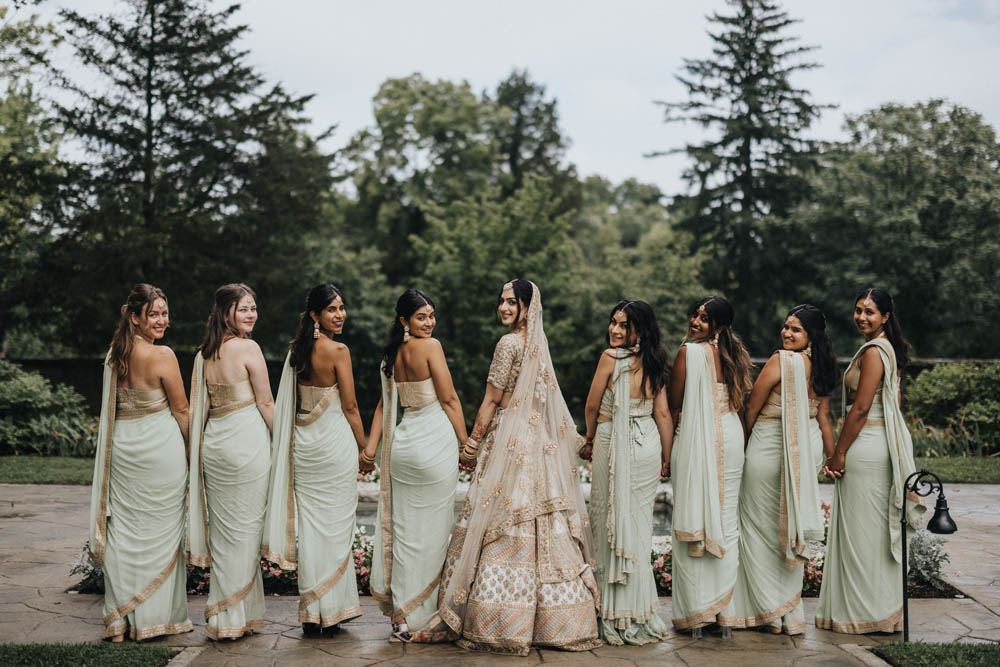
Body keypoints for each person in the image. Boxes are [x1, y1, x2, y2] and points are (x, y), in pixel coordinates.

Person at [433, 279, 601, 656]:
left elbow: (492, 400)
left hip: (509, 443)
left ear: (528, 307)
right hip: (537, 445)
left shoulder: (508, 344)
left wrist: (473, 443)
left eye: (512, 302)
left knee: (500, 519)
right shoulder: (538, 344)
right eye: (502, 301)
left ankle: (503, 621)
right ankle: (558, 622)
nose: (504, 308)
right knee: (542, 522)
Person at [816, 288, 925, 633]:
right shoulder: (884, 350)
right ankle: (871, 609)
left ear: (886, 317)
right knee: (867, 532)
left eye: (870, 312)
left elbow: (861, 409)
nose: (862, 316)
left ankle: (866, 613)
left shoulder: (876, 353)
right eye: (858, 310)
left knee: (864, 534)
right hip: (873, 443)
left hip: (866, 445)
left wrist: (840, 452)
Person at [90, 284, 192, 641]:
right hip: (160, 452)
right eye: (154, 314)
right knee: (160, 534)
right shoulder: (162, 355)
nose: (162, 320)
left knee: (125, 534)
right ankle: (153, 619)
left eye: (164, 313)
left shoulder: (113, 355)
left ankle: (121, 619)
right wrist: (195, 456)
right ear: (135, 318)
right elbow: (182, 411)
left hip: (124, 449)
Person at [262, 284, 365, 635]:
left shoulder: (297, 351)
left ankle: (312, 612)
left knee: (312, 529)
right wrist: (366, 449)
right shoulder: (338, 351)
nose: (340, 315)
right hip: (333, 446)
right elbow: (350, 406)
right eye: (333, 309)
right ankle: (331, 611)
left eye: (342, 308)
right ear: (315, 315)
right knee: (334, 529)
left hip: (305, 447)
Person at [365, 289, 467, 642]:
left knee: (405, 534)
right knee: (433, 534)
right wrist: (467, 443)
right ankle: (424, 615)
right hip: (433, 442)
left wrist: (370, 449)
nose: (429, 322)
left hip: (403, 446)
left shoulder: (390, 355)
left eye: (431, 316)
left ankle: (402, 617)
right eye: (421, 316)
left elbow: (383, 407)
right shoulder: (431, 348)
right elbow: (450, 398)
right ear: (404, 320)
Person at [728, 305, 836, 634]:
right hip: (806, 449)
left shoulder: (781, 361)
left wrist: (742, 444)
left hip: (770, 447)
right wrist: (834, 457)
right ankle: (788, 613)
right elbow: (823, 417)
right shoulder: (822, 364)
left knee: (758, 529)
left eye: (796, 329)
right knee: (787, 530)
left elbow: (751, 406)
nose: (787, 333)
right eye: (786, 327)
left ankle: (766, 612)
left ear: (810, 335)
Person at [581, 300, 672, 645]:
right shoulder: (656, 359)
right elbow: (662, 414)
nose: (615, 331)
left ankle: (612, 612)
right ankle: (639, 611)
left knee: (609, 520)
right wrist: (667, 456)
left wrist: (589, 437)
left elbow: (592, 404)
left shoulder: (610, 358)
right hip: (647, 440)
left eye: (624, 325)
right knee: (635, 524)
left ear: (640, 329)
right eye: (613, 323)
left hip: (611, 438)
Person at [187, 283, 274, 640]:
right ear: (227, 314)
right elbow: (267, 404)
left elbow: (199, 413)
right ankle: (232, 616)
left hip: (216, 444)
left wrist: (195, 450)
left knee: (225, 535)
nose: (251, 314)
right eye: (244, 309)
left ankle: (233, 614)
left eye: (253, 308)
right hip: (246, 443)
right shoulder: (249, 348)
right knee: (246, 532)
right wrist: (285, 441)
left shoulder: (204, 354)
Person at [668, 296, 752, 636]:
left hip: (695, 437)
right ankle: (723, 612)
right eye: (695, 315)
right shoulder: (736, 356)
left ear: (718, 326)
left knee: (693, 514)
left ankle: (697, 612)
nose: (695, 322)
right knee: (725, 520)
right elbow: (741, 405)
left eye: (704, 318)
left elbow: (675, 402)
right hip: (731, 436)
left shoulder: (688, 353)